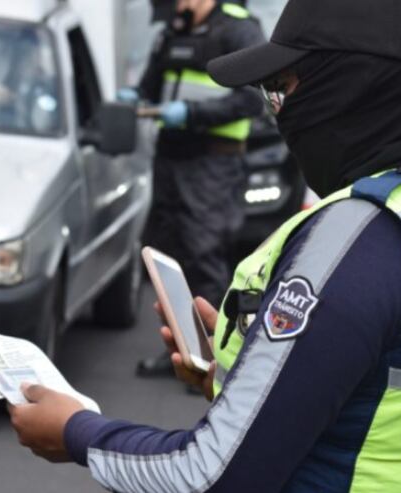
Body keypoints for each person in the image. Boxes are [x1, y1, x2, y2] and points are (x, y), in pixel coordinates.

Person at [7, 0, 401, 491]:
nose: (277, 111)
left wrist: (76, 432)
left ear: (353, 86)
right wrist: (246, 373)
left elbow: (209, 474)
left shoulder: (363, 236)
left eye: (283, 89)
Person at [126, 0, 265, 377]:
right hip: (171, 157)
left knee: (203, 255)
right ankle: (181, 353)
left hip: (213, 161)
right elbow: (151, 86)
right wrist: (135, 98)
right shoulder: (173, 31)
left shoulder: (238, 29)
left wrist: (193, 113)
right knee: (169, 257)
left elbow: (252, 99)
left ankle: (213, 361)